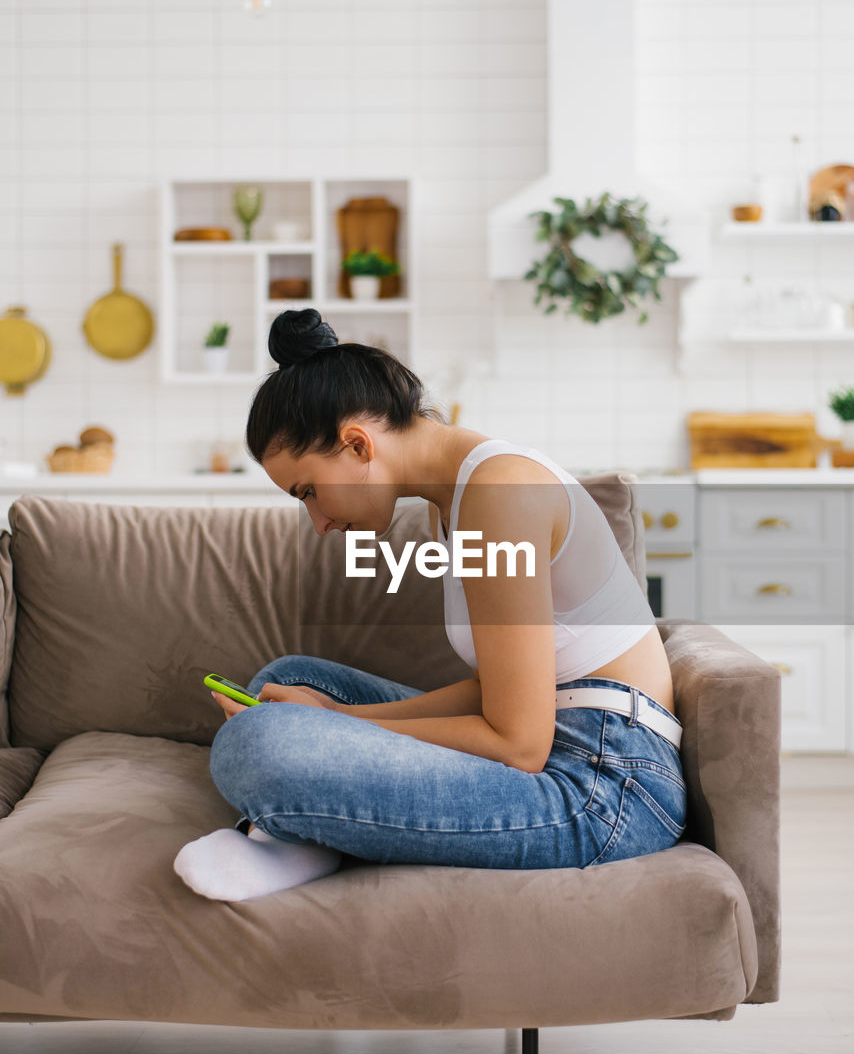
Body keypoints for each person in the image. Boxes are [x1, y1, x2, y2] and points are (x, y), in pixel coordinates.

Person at [173, 308, 687, 902]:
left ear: (356, 443)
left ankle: (294, 835)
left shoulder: (498, 496)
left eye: (309, 490)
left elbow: (519, 745)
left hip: (605, 785)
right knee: (287, 681)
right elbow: (504, 695)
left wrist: (327, 723)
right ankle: (306, 835)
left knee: (259, 747)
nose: (315, 521)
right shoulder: (457, 501)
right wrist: (320, 712)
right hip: (563, 733)